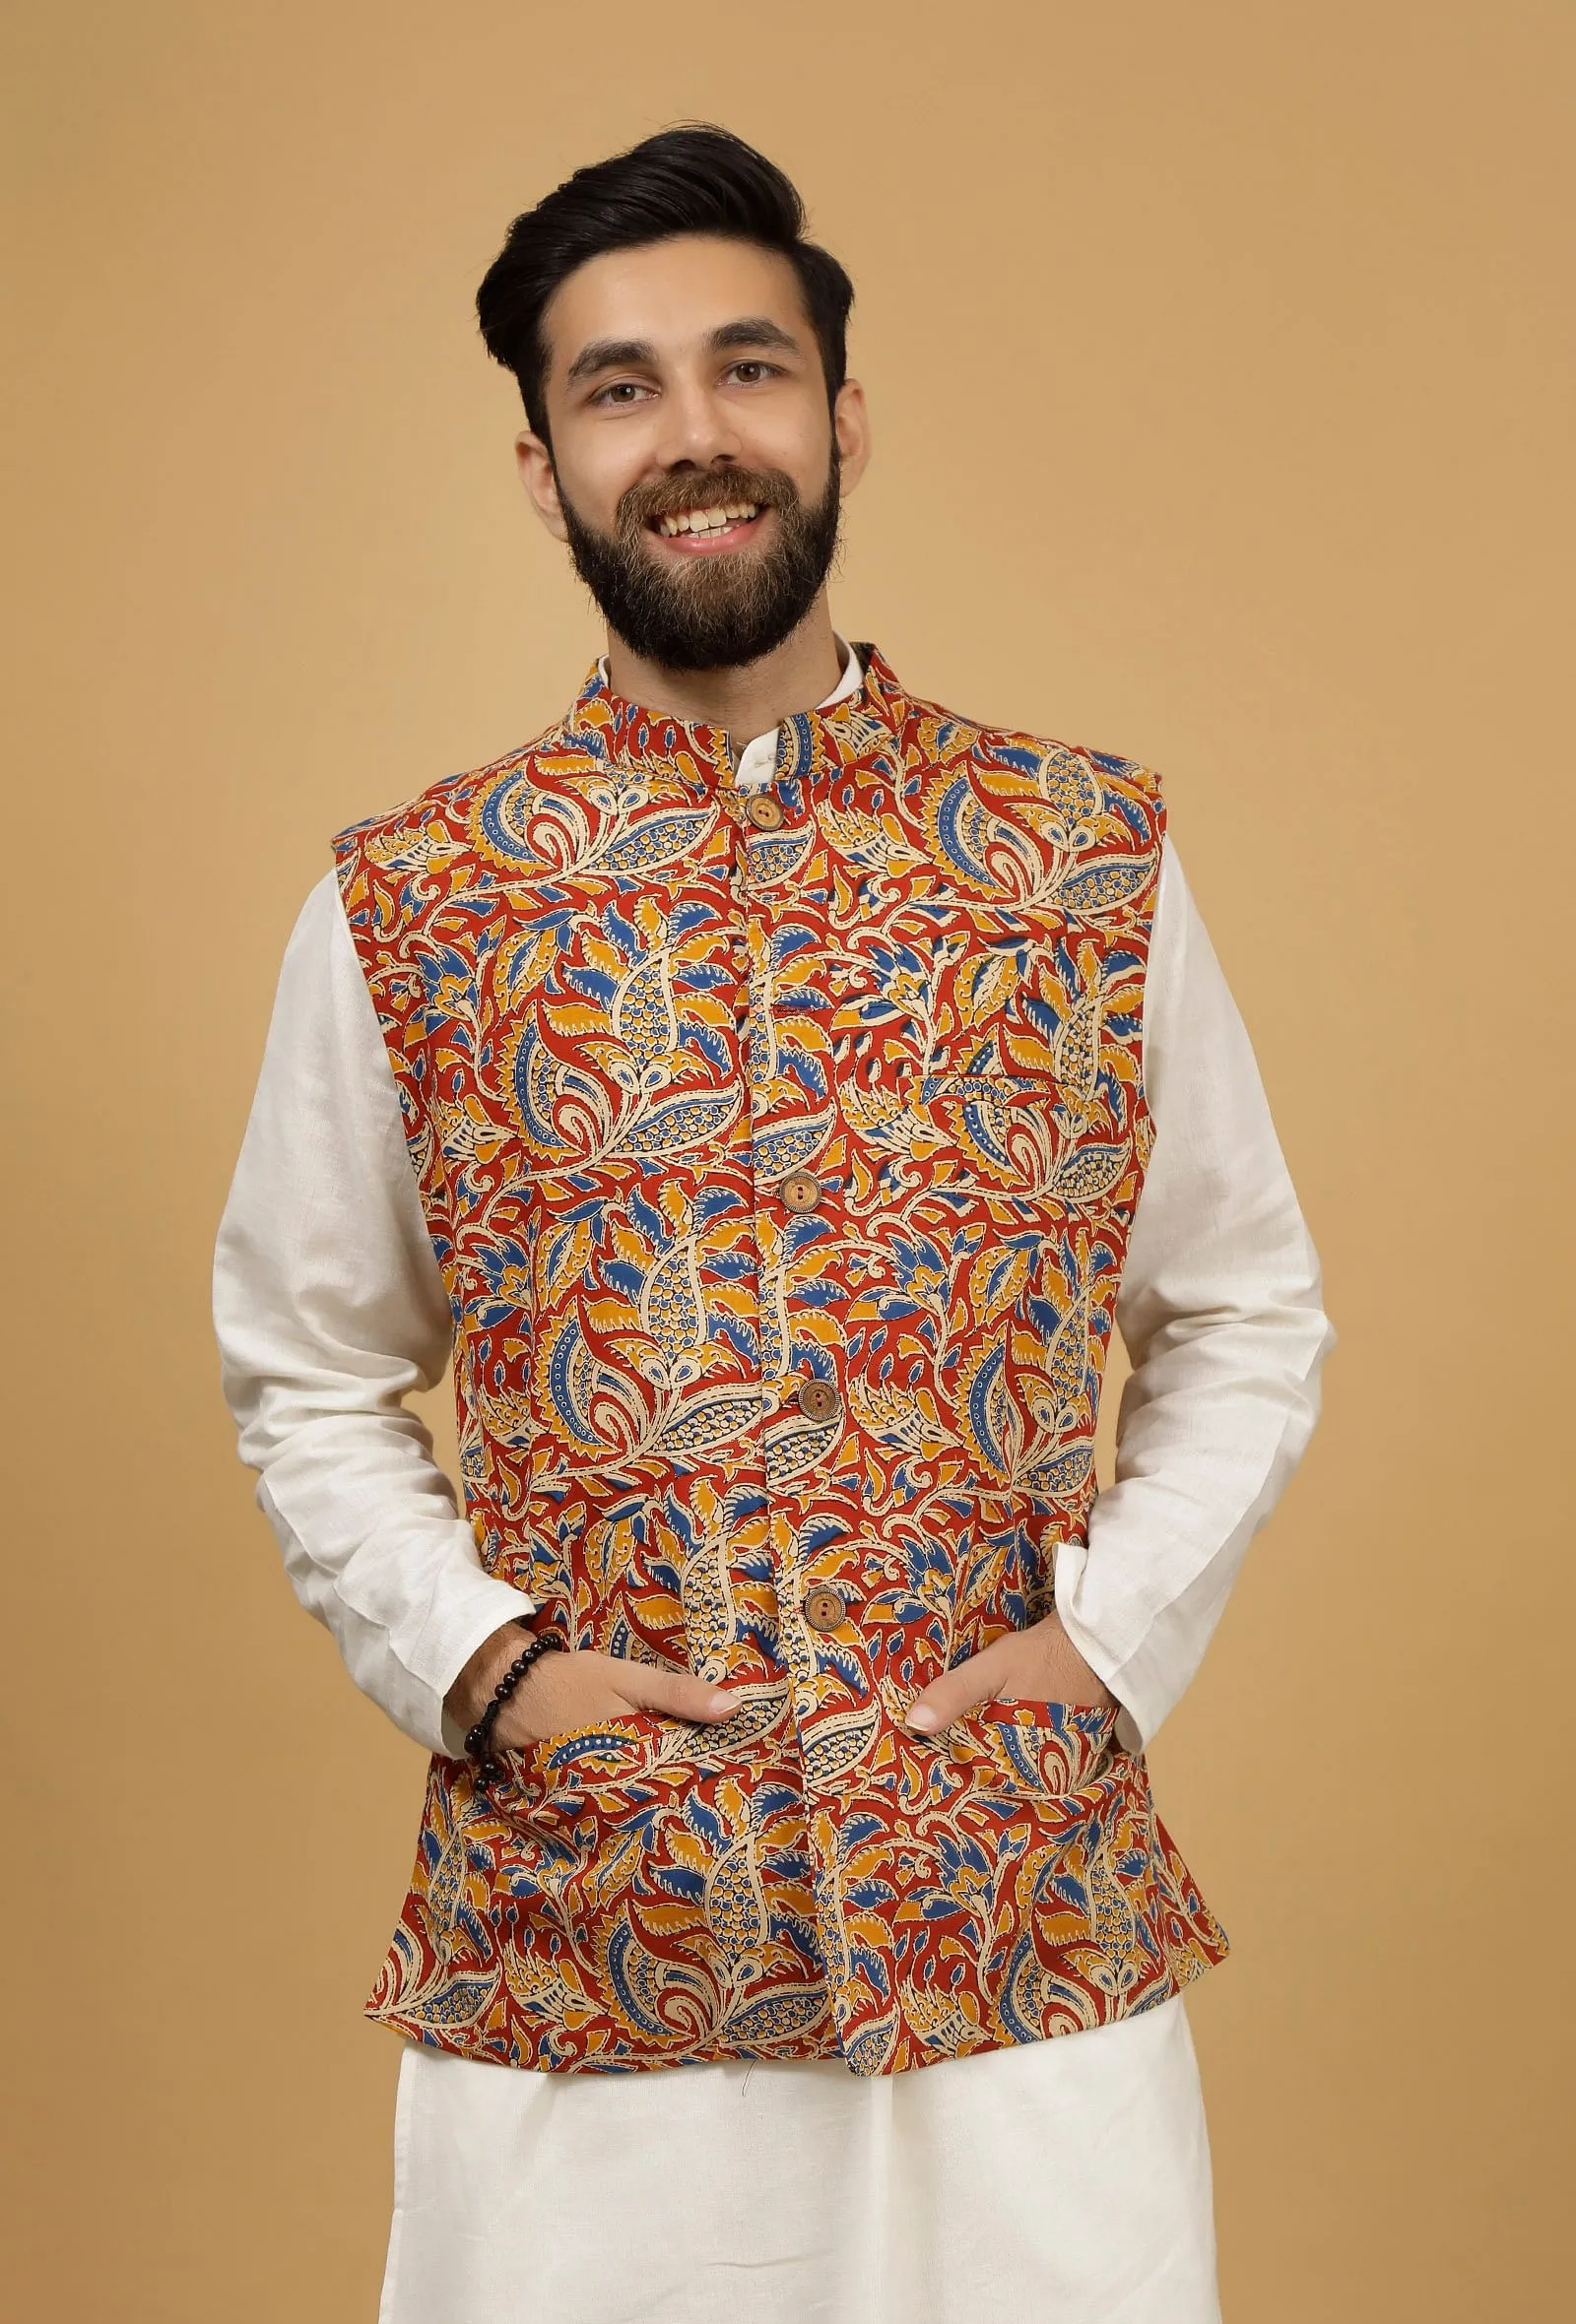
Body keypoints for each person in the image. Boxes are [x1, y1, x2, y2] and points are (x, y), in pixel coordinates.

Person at [215, 123, 1334, 2324]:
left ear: (839, 416)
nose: (693, 434)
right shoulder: (413, 901)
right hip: (590, 1951)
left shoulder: (1076, 857)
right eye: (617, 386)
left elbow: (1241, 1305)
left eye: (748, 368)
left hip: (1009, 1923)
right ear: (539, 465)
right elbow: (305, 1363)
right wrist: (490, 1669)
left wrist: (1108, 1638)